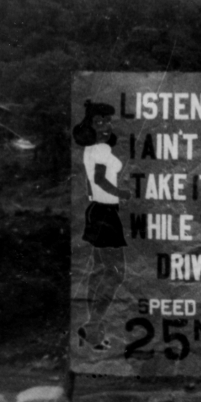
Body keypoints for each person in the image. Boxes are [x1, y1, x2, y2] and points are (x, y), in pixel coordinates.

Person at [72, 99, 129, 352]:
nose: (105, 126)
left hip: (97, 210)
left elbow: (90, 183)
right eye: (98, 122)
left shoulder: (92, 150)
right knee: (116, 271)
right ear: (88, 126)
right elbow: (99, 179)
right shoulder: (101, 151)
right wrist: (121, 193)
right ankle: (93, 325)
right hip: (105, 213)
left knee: (100, 269)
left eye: (108, 121)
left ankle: (92, 328)